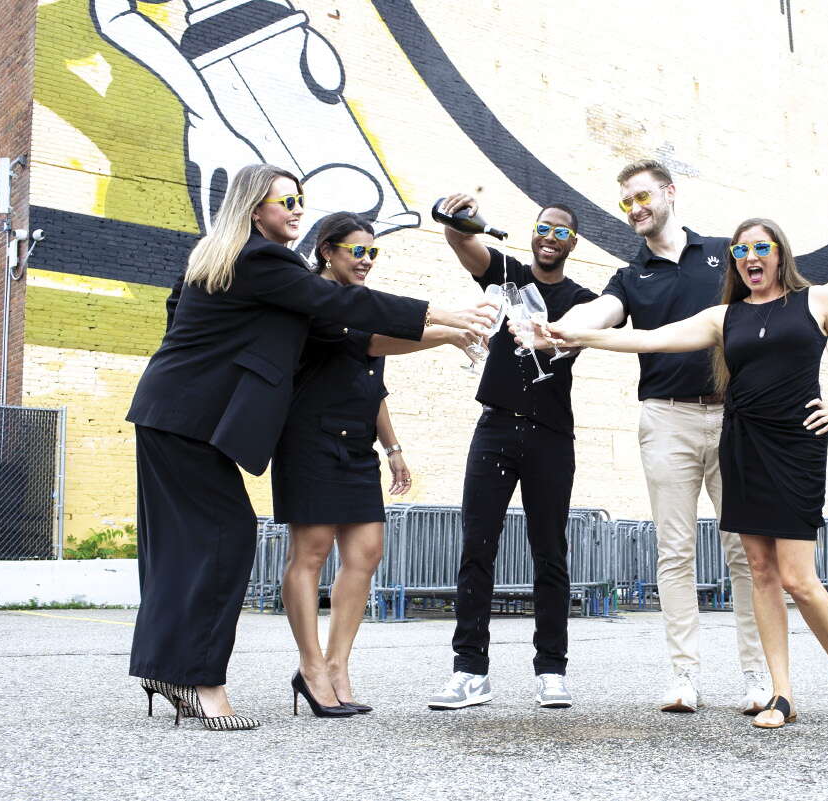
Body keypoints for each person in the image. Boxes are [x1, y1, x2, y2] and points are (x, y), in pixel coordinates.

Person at [127, 164, 492, 730]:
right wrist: (446, 313)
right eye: (286, 201)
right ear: (255, 210)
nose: (297, 209)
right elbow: (349, 307)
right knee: (224, 537)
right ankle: (201, 682)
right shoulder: (261, 259)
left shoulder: (226, 260)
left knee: (179, 546)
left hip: (173, 412)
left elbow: (339, 330)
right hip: (187, 419)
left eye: (301, 201)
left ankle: (166, 669)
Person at [544, 217, 828, 729]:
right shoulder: (723, 316)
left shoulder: (819, 302)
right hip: (742, 445)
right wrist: (571, 333)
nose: (751, 257)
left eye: (761, 247)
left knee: (799, 576)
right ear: (734, 261)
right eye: (741, 250)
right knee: (762, 573)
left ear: (779, 252)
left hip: (795, 447)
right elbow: (651, 340)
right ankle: (781, 694)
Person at [549, 160, 767, 713]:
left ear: (669, 193)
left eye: (642, 196)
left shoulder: (724, 253)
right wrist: (562, 327)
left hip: (733, 418)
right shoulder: (632, 273)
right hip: (665, 419)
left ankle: (759, 676)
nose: (635, 208)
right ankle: (684, 678)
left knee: (745, 551)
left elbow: (774, 306)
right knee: (674, 552)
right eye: (627, 202)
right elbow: (599, 312)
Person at [273, 212, 477, 718]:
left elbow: (371, 381)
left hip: (357, 443)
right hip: (310, 438)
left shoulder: (359, 303)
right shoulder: (312, 298)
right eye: (355, 251)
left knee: (366, 552)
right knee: (312, 553)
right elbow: (367, 342)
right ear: (327, 251)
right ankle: (311, 664)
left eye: (372, 253)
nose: (365, 261)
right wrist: (450, 331)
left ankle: (338, 664)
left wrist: (393, 447)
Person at [425, 193, 598, 710]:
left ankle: (551, 670)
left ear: (573, 243)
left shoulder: (585, 298)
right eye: (543, 229)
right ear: (533, 232)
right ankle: (469, 671)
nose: (549, 239)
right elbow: (461, 239)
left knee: (550, 551)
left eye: (561, 233)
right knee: (477, 547)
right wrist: (453, 213)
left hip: (550, 433)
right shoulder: (508, 274)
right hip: (495, 427)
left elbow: (605, 324)